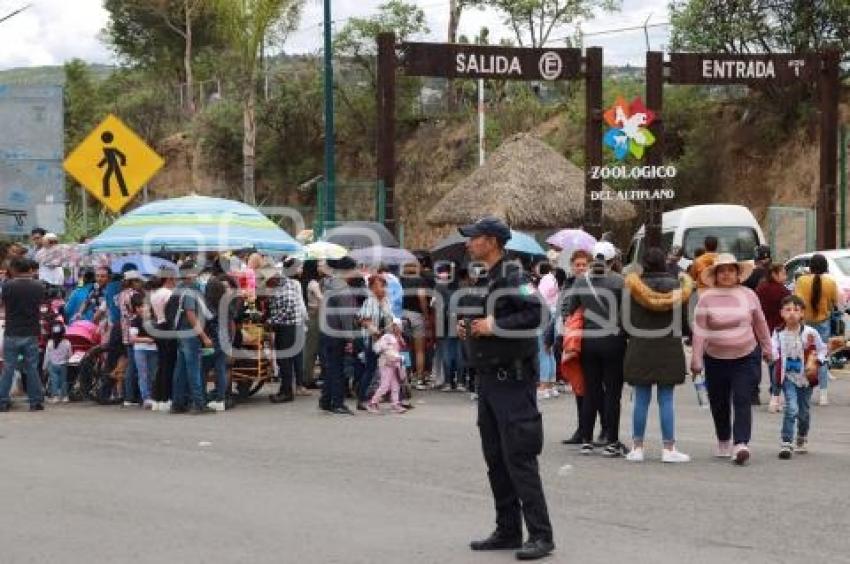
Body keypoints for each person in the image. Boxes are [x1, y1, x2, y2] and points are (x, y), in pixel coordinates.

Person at [458, 217, 554, 561]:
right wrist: (471, 328)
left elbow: (538, 315)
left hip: (513, 383)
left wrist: (494, 325)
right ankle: (508, 529)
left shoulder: (514, 276)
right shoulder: (491, 279)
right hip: (489, 382)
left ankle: (541, 535)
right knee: (496, 459)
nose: (469, 244)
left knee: (520, 458)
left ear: (493, 242)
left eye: (475, 238)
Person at [691, 253, 772, 465]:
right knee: (719, 402)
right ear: (716, 275)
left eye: (731, 270)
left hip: (745, 355)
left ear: (738, 274)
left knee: (743, 398)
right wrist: (696, 359)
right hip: (715, 358)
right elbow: (700, 331)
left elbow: (760, 322)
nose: (727, 274)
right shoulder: (706, 298)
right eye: (722, 271)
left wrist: (767, 347)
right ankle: (724, 439)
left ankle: (741, 444)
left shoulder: (749, 295)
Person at [622, 248, 692, 463]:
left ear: (644, 265)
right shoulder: (677, 287)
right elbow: (683, 324)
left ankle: (637, 448)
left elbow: (624, 322)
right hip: (668, 346)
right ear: (664, 263)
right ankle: (669, 449)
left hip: (640, 345)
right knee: (666, 398)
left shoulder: (632, 286)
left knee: (641, 398)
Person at [568, 241, 628, 457]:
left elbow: (570, 308)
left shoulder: (581, 281)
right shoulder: (620, 282)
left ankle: (586, 440)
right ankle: (612, 441)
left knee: (591, 391)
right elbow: (627, 314)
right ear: (613, 261)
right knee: (612, 392)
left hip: (588, 342)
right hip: (613, 341)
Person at [771, 296, 827, 460]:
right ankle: (786, 442)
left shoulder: (811, 333)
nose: (792, 314)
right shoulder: (778, 332)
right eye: (788, 310)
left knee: (803, 412)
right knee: (791, 408)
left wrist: (818, 361)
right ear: (781, 313)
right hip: (788, 377)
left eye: (796, 310)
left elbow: (822, 349)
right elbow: (773, 348)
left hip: (806, 378)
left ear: (802, 313)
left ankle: (801, 436)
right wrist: (773, 356)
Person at [0, 257, 46, 411]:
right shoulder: (39, 286)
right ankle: (36, 401)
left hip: (12, 331)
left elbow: (3, 304)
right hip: (31, 331)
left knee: (8, 368)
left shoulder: (7, 286)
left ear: (14, 269)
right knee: (32, 367)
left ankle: (2, 401)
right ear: (29, 269)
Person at [793, 254, 840, 406]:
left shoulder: (801, 281)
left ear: (810, 266)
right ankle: (823, 395)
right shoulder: (830, 282)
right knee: (822, 357)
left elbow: (797, 301)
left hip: (805, 323)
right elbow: (835, 303)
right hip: (823, 323)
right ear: (825, 267)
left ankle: (803, 389)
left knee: (804, 355)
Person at [170, 263, 214, 414]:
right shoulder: (189, 290)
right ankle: (199, 404)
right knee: (194, 369)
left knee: (181, 370)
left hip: (182, 333)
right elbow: (190, 314)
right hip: (190, 334)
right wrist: (204, 336)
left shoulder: (179, 288)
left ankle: (177, 403)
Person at [558, 249, 592, 445]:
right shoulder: (568, 283)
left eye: (583, 264)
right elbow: (562, 309)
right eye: (577, 264)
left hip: (586, 338)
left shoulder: (591, 284)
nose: (580, 268)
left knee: (588, 387)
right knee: (578, 385)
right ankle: (581, 429)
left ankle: (588, 430)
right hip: (569, 336)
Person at [319, 256, 360, 415]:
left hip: (327, 331)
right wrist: (349, 337)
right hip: (337, 333)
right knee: (337, 369)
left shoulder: (329, 284)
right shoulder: (343, 289)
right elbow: (346, 316)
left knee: (330, 368)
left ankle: (326, 400)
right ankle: (337, 402)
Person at [266, 265, 307, 404]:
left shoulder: (287, 287)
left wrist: (271, 320)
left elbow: (287, 309)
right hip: (284, 326)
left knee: (285, 360)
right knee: (283, 359)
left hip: (289, 327)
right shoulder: (278, 286)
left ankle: (287, 392)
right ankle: (284, 389)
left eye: (268, 280)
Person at [756, 264, 791, 413]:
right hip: (779, 331)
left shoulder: (760, 289)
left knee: (768, 362)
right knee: (777, 365)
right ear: (774, 274)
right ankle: (775, 393)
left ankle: (763, 392)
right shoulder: (784, 292)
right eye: (783, 273)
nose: (785, 276)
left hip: (761, 330)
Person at [358, 274, 394, 406]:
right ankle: (362, 399)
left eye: (384, 286)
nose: (383, 289)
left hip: (385, 341)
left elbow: (390, 317)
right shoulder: (369, 301)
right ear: (372, 288)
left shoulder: (386, 301)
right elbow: (364, 320)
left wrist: (394, 326)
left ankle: (383, 397)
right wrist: (374, 331)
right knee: (370, 369)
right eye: (380, 286)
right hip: (372, 341)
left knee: (386, 369)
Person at [401, 261, 432, 390]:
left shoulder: (400, 281)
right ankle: (419, 378)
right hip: (416, 315)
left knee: (405, 348)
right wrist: (425, 315)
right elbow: (422, 297)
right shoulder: (420, 281)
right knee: (420, 350)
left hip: (402, 315)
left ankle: (406, 376)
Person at [150, 266, 178, 411]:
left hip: (159, 327)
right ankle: (166, 398)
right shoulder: (168, 294)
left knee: (162, 365)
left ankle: (157, 398)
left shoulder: (155, 294)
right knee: (169, 365)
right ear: (169, 278)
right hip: (168, 329)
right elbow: (171, 314)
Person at [432, 264, 464, 392]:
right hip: (458, 320)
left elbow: (434, 304)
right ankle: (461, 382)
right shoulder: (461, 286)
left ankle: (448, 382)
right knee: (459, 351)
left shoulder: (439, 286)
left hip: (443, 322)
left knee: (446, 351)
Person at [366, 319, 407, 414]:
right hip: (386, 364)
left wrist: (400, 360)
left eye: (400, 326)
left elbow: (400, 350)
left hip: (395, 364)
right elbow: (386, 350)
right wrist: (399, 357)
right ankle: (372, 403)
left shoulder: (399, 338)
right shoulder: (387, 337)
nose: (399, 328)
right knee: (385, 385)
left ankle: (395, 403)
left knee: (395, 385)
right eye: (397, 326)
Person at [129, 293, 158, 409]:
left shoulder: (154, 320)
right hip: (140, 349)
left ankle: (153, 396)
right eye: (140, 307)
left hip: (154, 350)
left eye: (144, 306)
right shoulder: (135, 321)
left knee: (153, 374)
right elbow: (132, 339)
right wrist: (146, 339)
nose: (142, 309)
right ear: (136, 309)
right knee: (143, 374)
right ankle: (146, 397)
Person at [303, 262, 325, 388]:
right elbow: (321, 299)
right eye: (317, 266)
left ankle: (306, 377)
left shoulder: (304, 282)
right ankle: (307, 379)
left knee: (308, 349)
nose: (319, 268)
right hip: (314, 317)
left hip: (308, 316)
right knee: (311, 349)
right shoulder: (314, 283)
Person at [43, 322, 72, 404]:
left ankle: (55, 397)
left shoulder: (50, 343)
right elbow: (70, 355)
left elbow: (47, 356)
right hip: (63, 364)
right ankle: (65, 397)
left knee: (54, 381)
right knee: (64, 381)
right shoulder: (67, 342)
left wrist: (44, 367)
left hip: (53, 365)